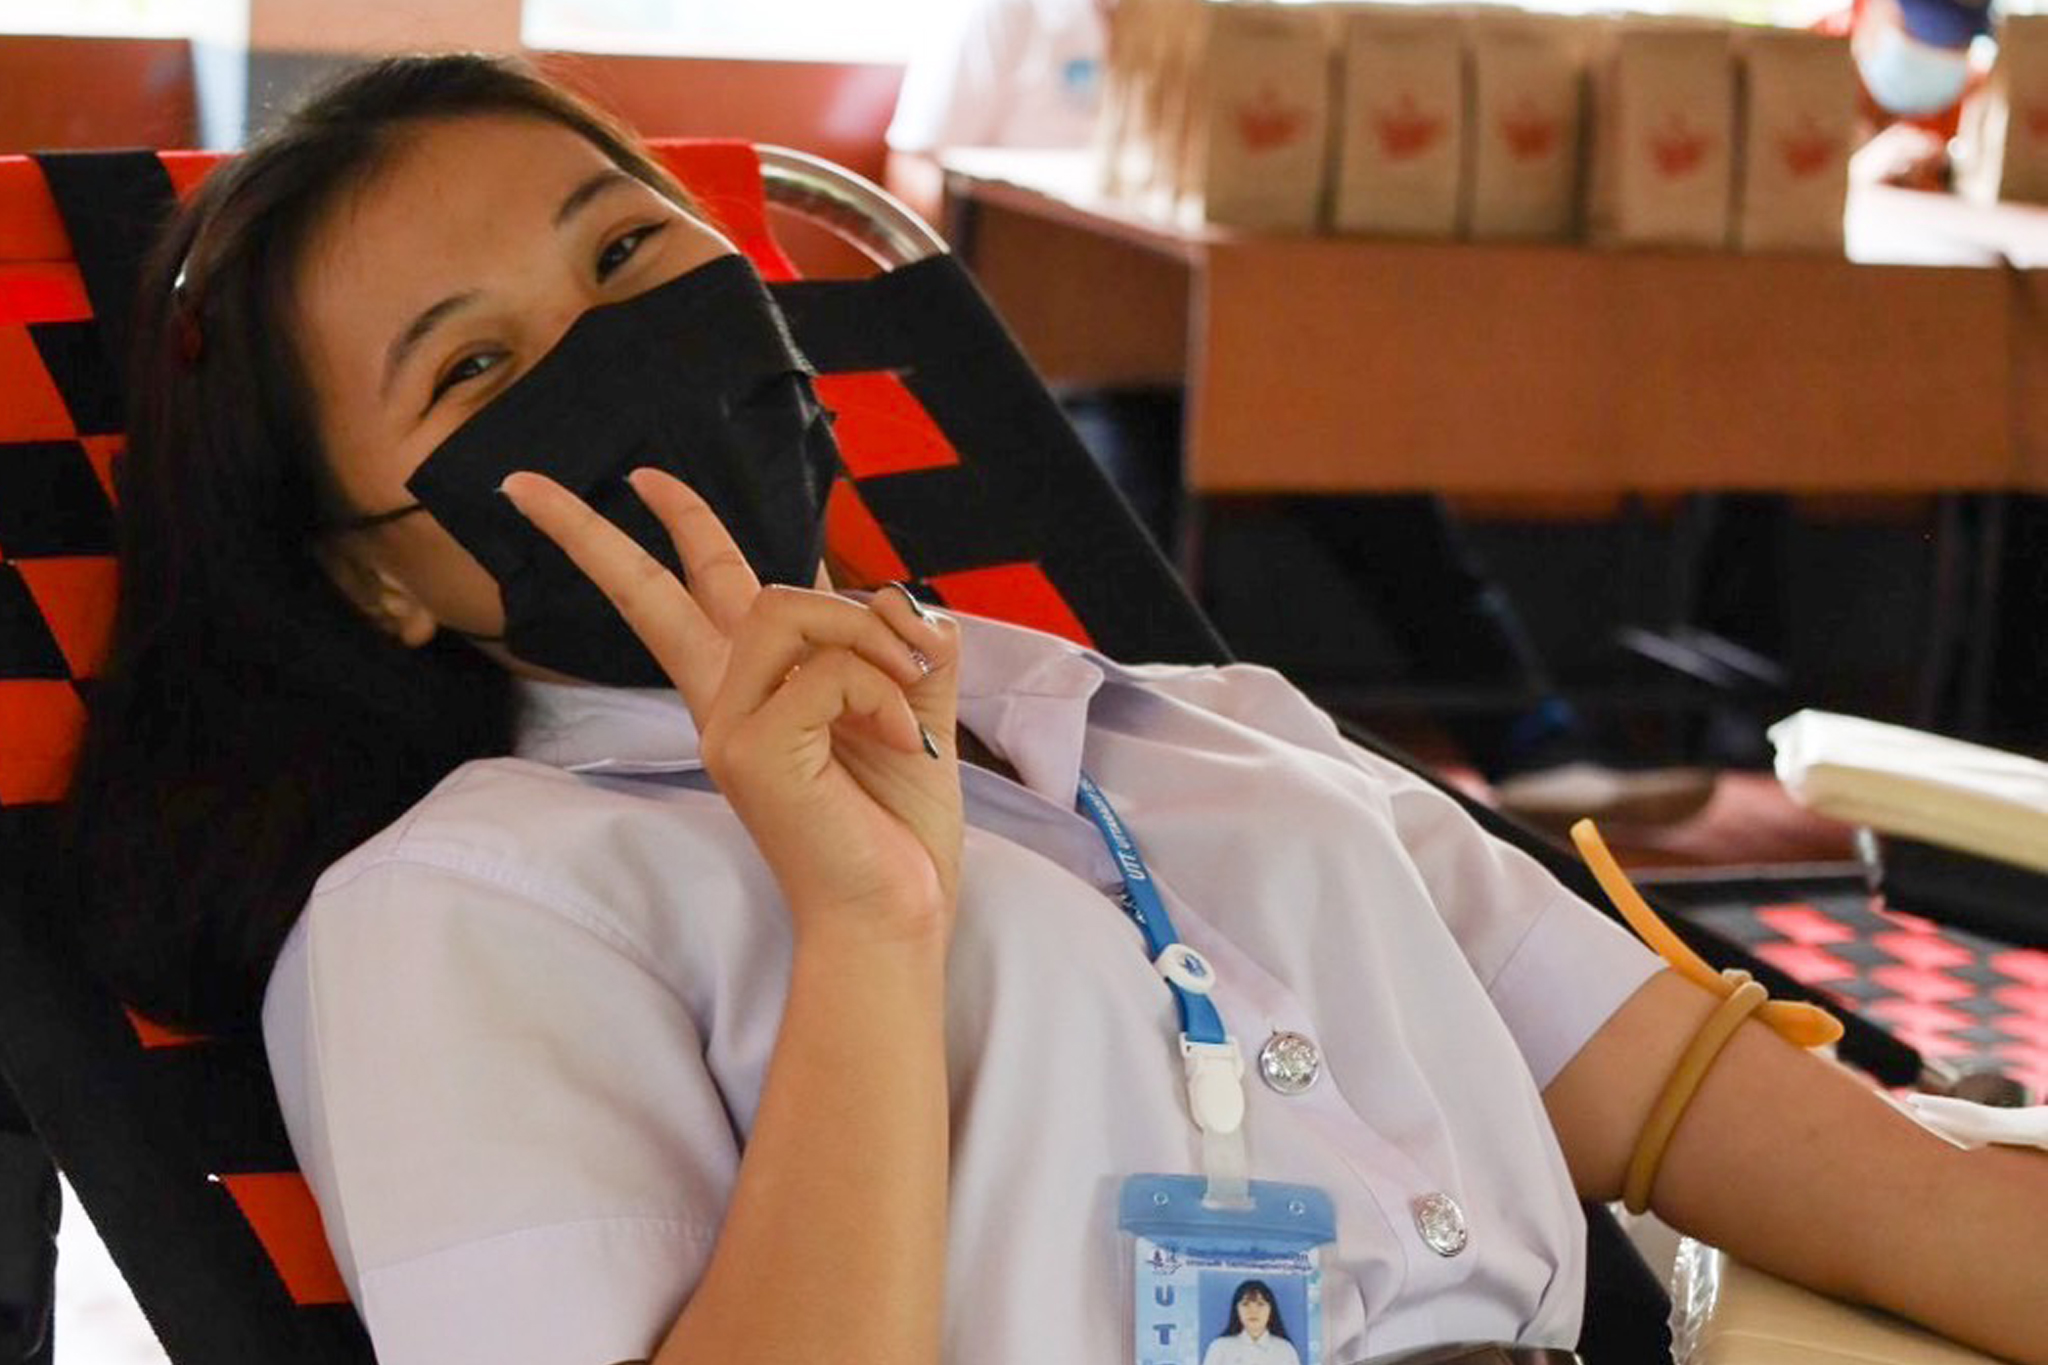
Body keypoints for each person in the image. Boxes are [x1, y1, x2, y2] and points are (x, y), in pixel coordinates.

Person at [61, 53, 2048, 1365]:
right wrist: (865, 929)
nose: (610, 355)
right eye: (477, 371)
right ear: (375, 568)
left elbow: (1788, 1150)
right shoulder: (462, 909)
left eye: (628, 251)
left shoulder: (1195, 728)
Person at [886, 0, 1719, 827]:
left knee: (1374, 485)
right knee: (1118, 525)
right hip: (1073, 359)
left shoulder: (1245, 32)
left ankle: (1535, 748)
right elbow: (915, 170)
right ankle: (1133, 779)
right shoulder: (1006, 19)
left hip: (1245, 347)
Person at [1203, 1280, 1303, 1365]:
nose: (1253, 1311)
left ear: (1271, 1309)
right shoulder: (1220, 1348)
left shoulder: (1285, 1350)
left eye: (1260, 1304)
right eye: (1245, 1304)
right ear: (1236, 1309)